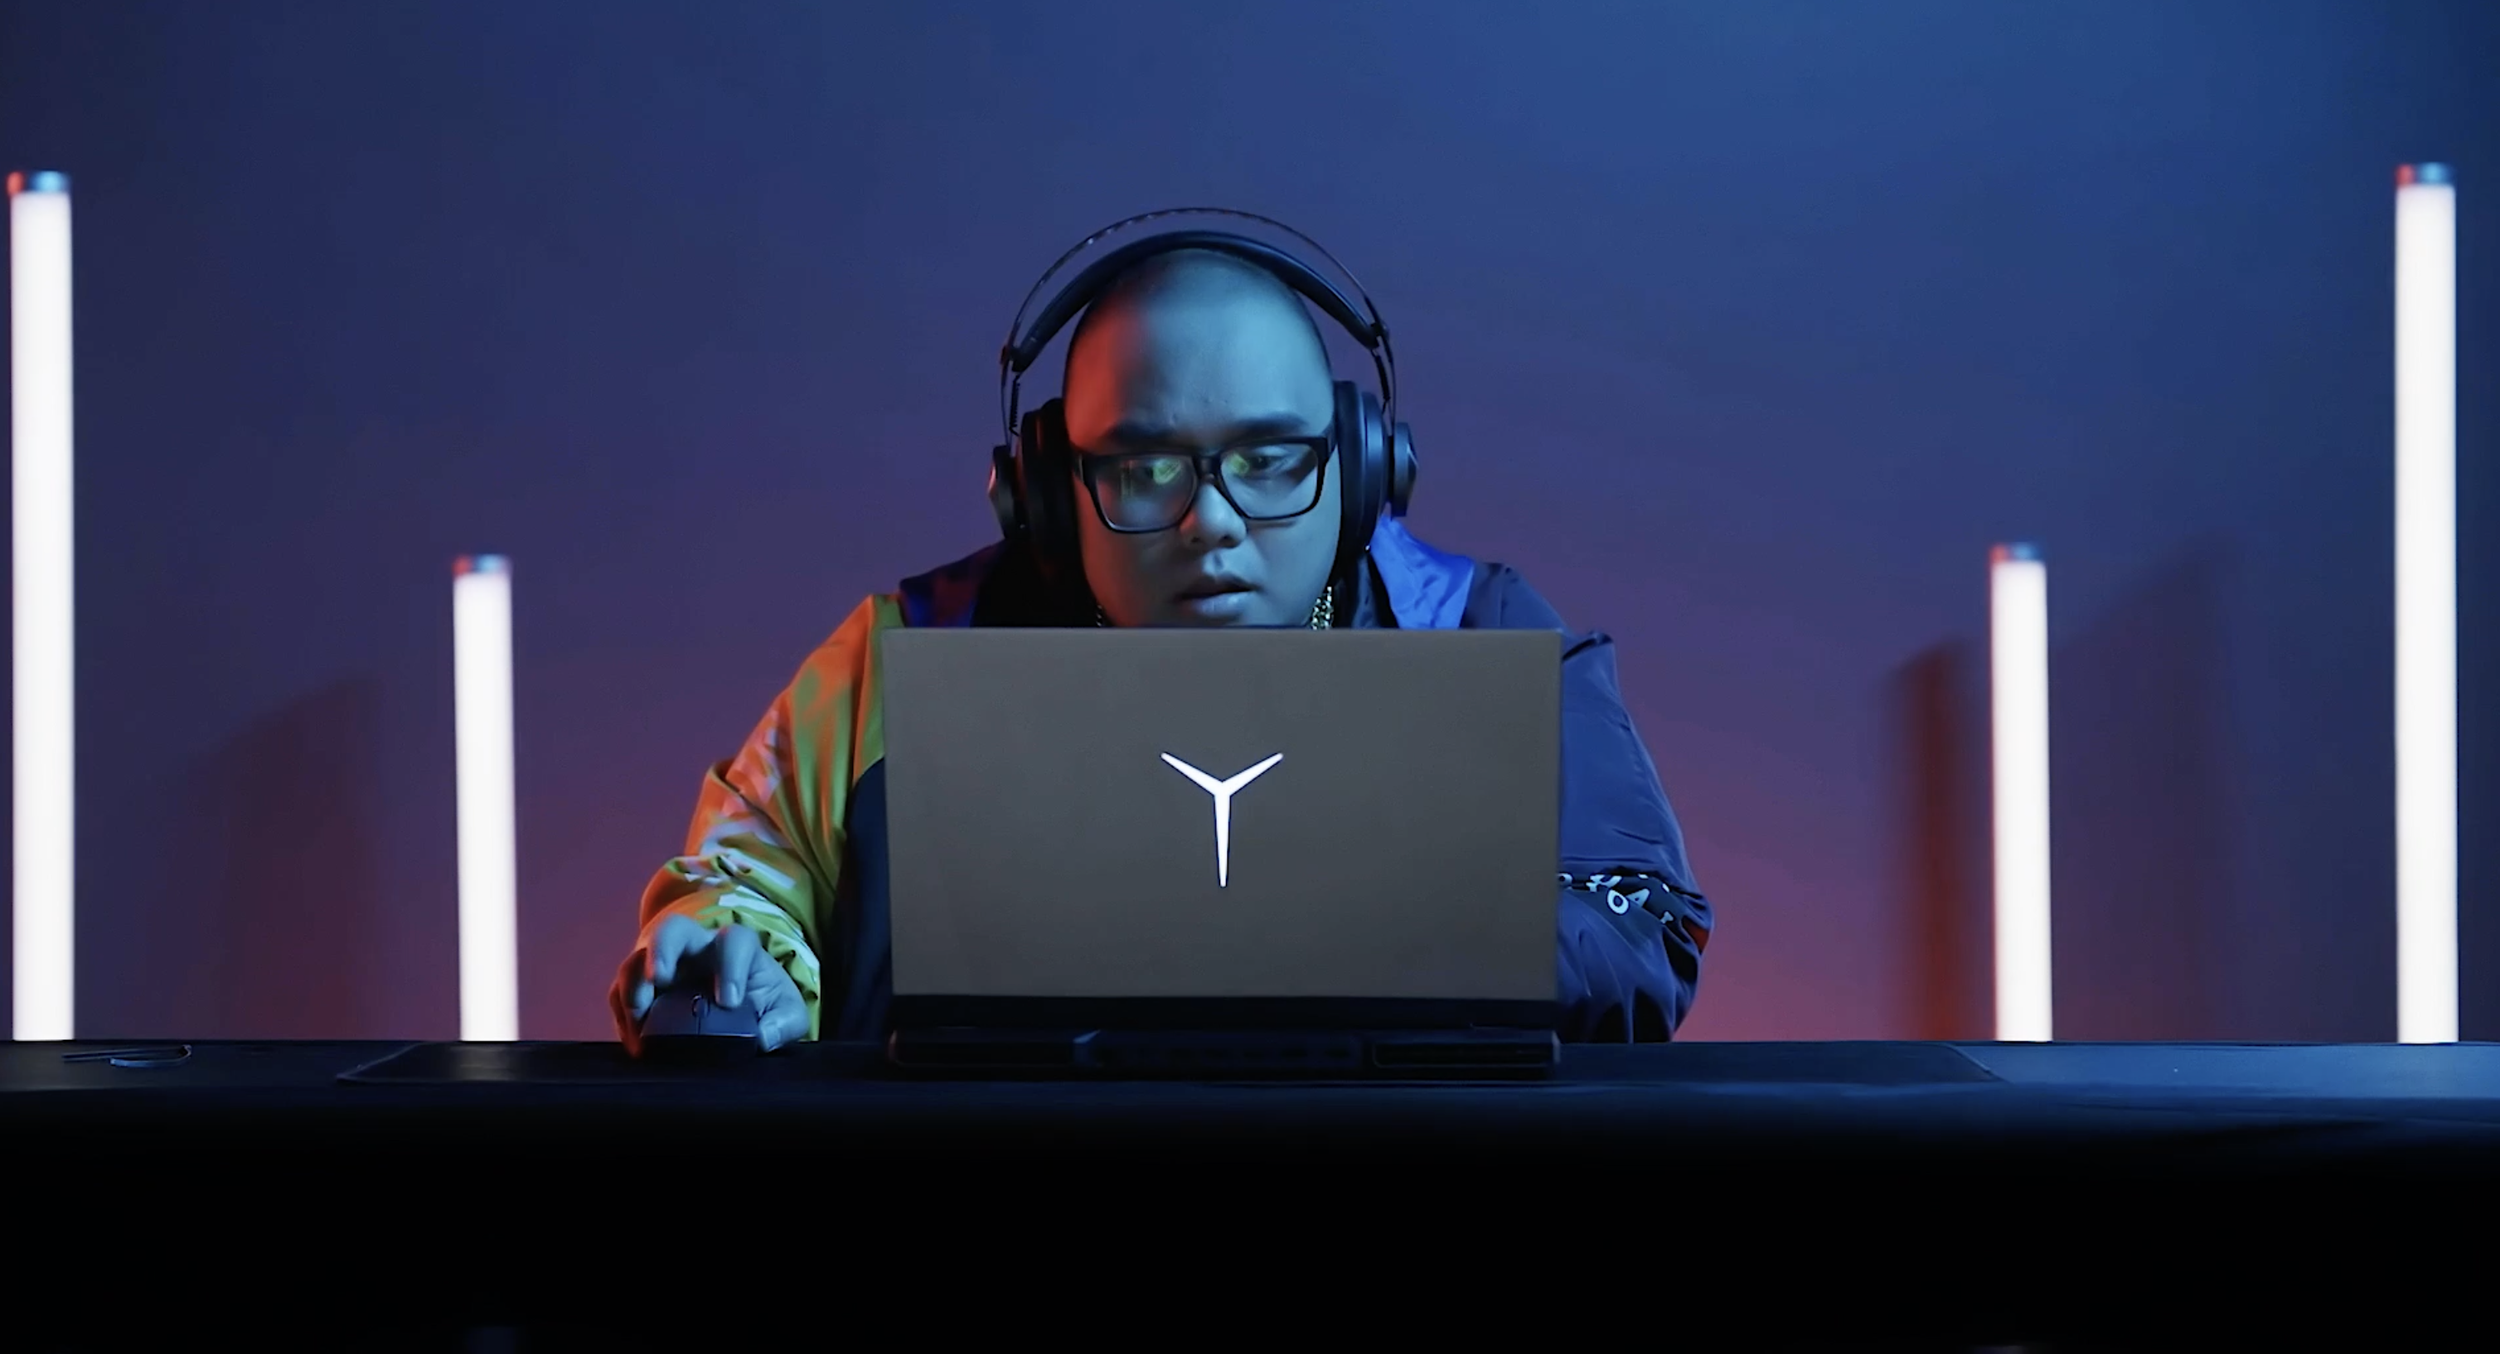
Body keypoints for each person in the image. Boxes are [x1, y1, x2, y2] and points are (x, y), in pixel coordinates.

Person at [609, 212, 1713, 1053]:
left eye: (1271, 459)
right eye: (1143, 468)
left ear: (1364, 468)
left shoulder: (1484, 637)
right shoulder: (904, 655)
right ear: (1043, 488)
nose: (1212, 523)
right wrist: (726, 948)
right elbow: (745, 884)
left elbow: (1635, 931)